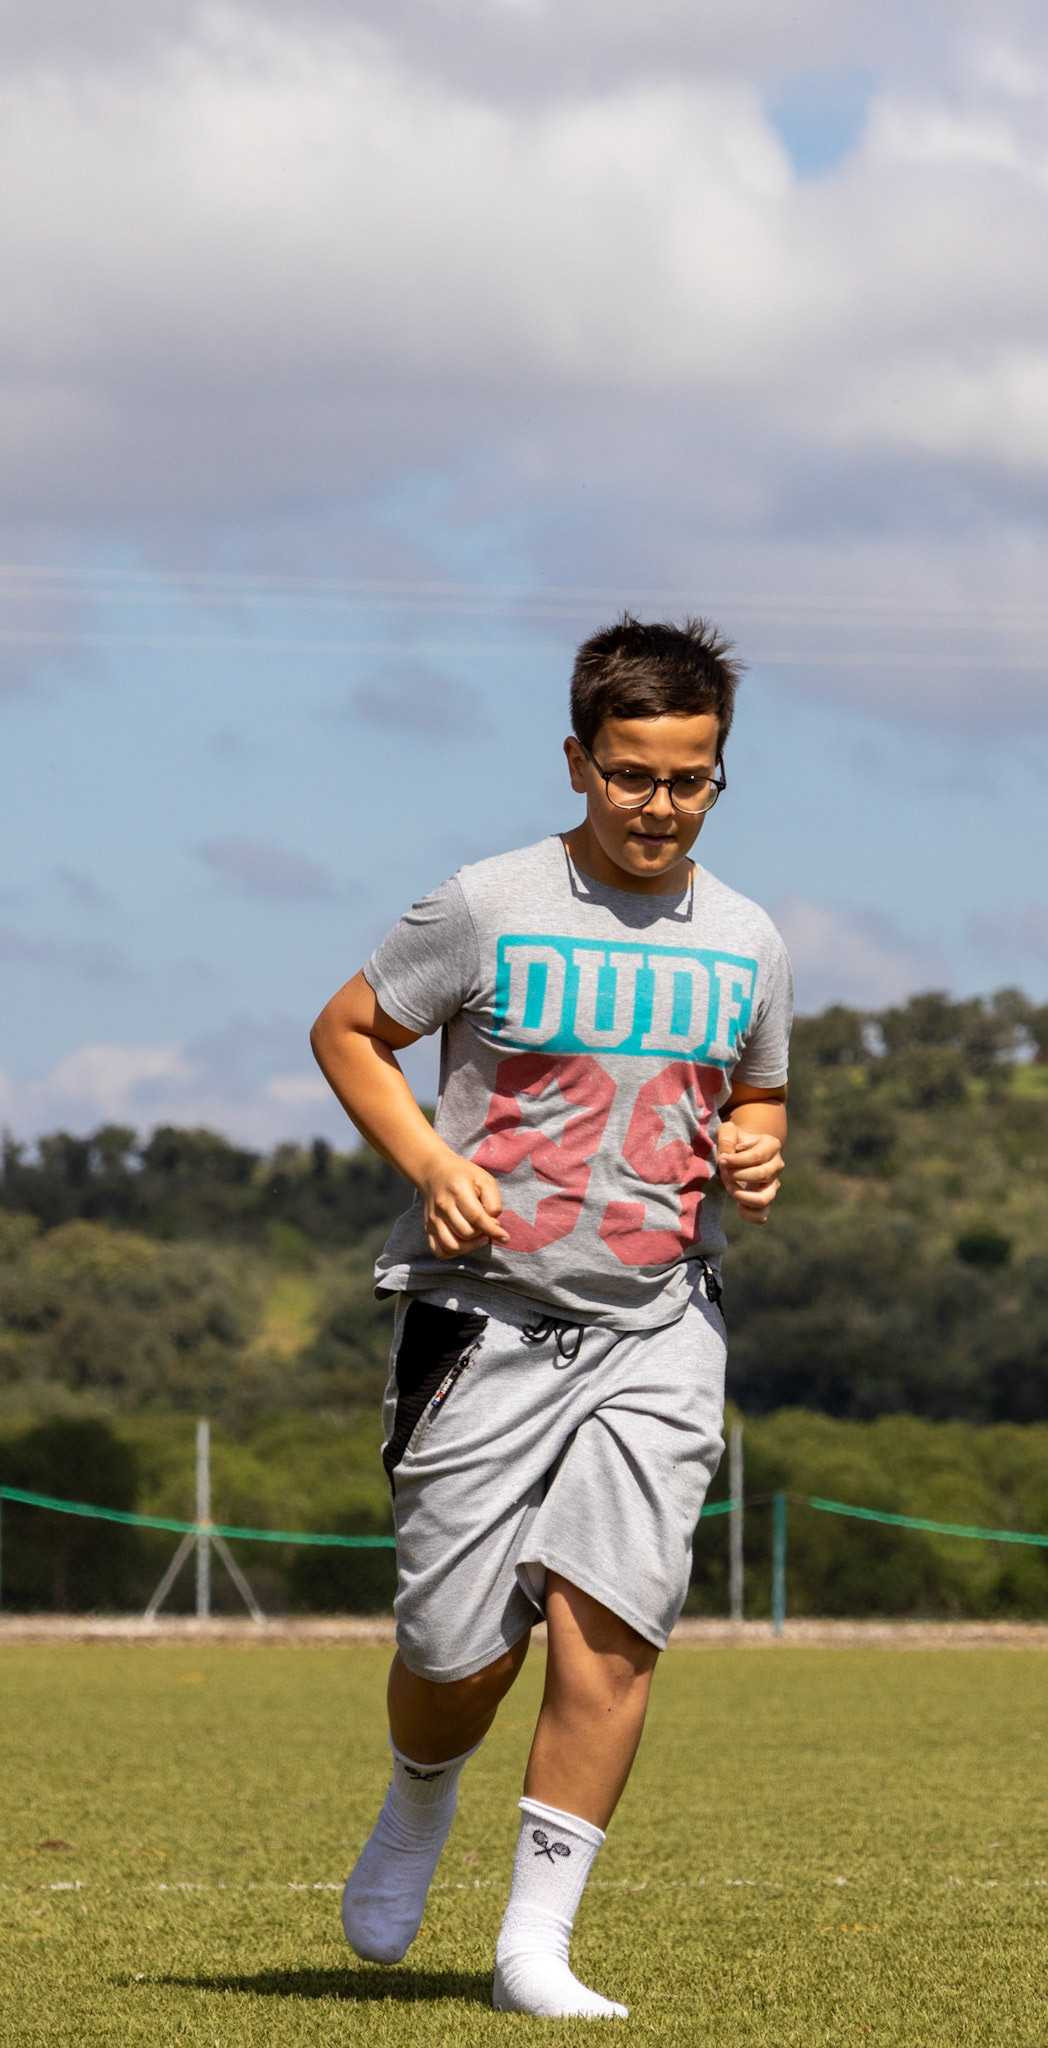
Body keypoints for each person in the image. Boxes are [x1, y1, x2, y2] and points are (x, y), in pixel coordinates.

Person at [310, 615, 792, 2019]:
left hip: (662, 1322)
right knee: (459, 1657)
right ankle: (419, 1798)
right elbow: (349, 1031)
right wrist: (432, 1164)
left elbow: (756, 1095)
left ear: (718, 775)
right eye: (632, 774)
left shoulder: (751, 938)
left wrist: (759, 1150)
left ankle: (536, 1947)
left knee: (614, 1626)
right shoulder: (485, 903)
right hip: (482, 1320)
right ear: (578, 761)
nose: (659, 805)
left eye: (689, 779)